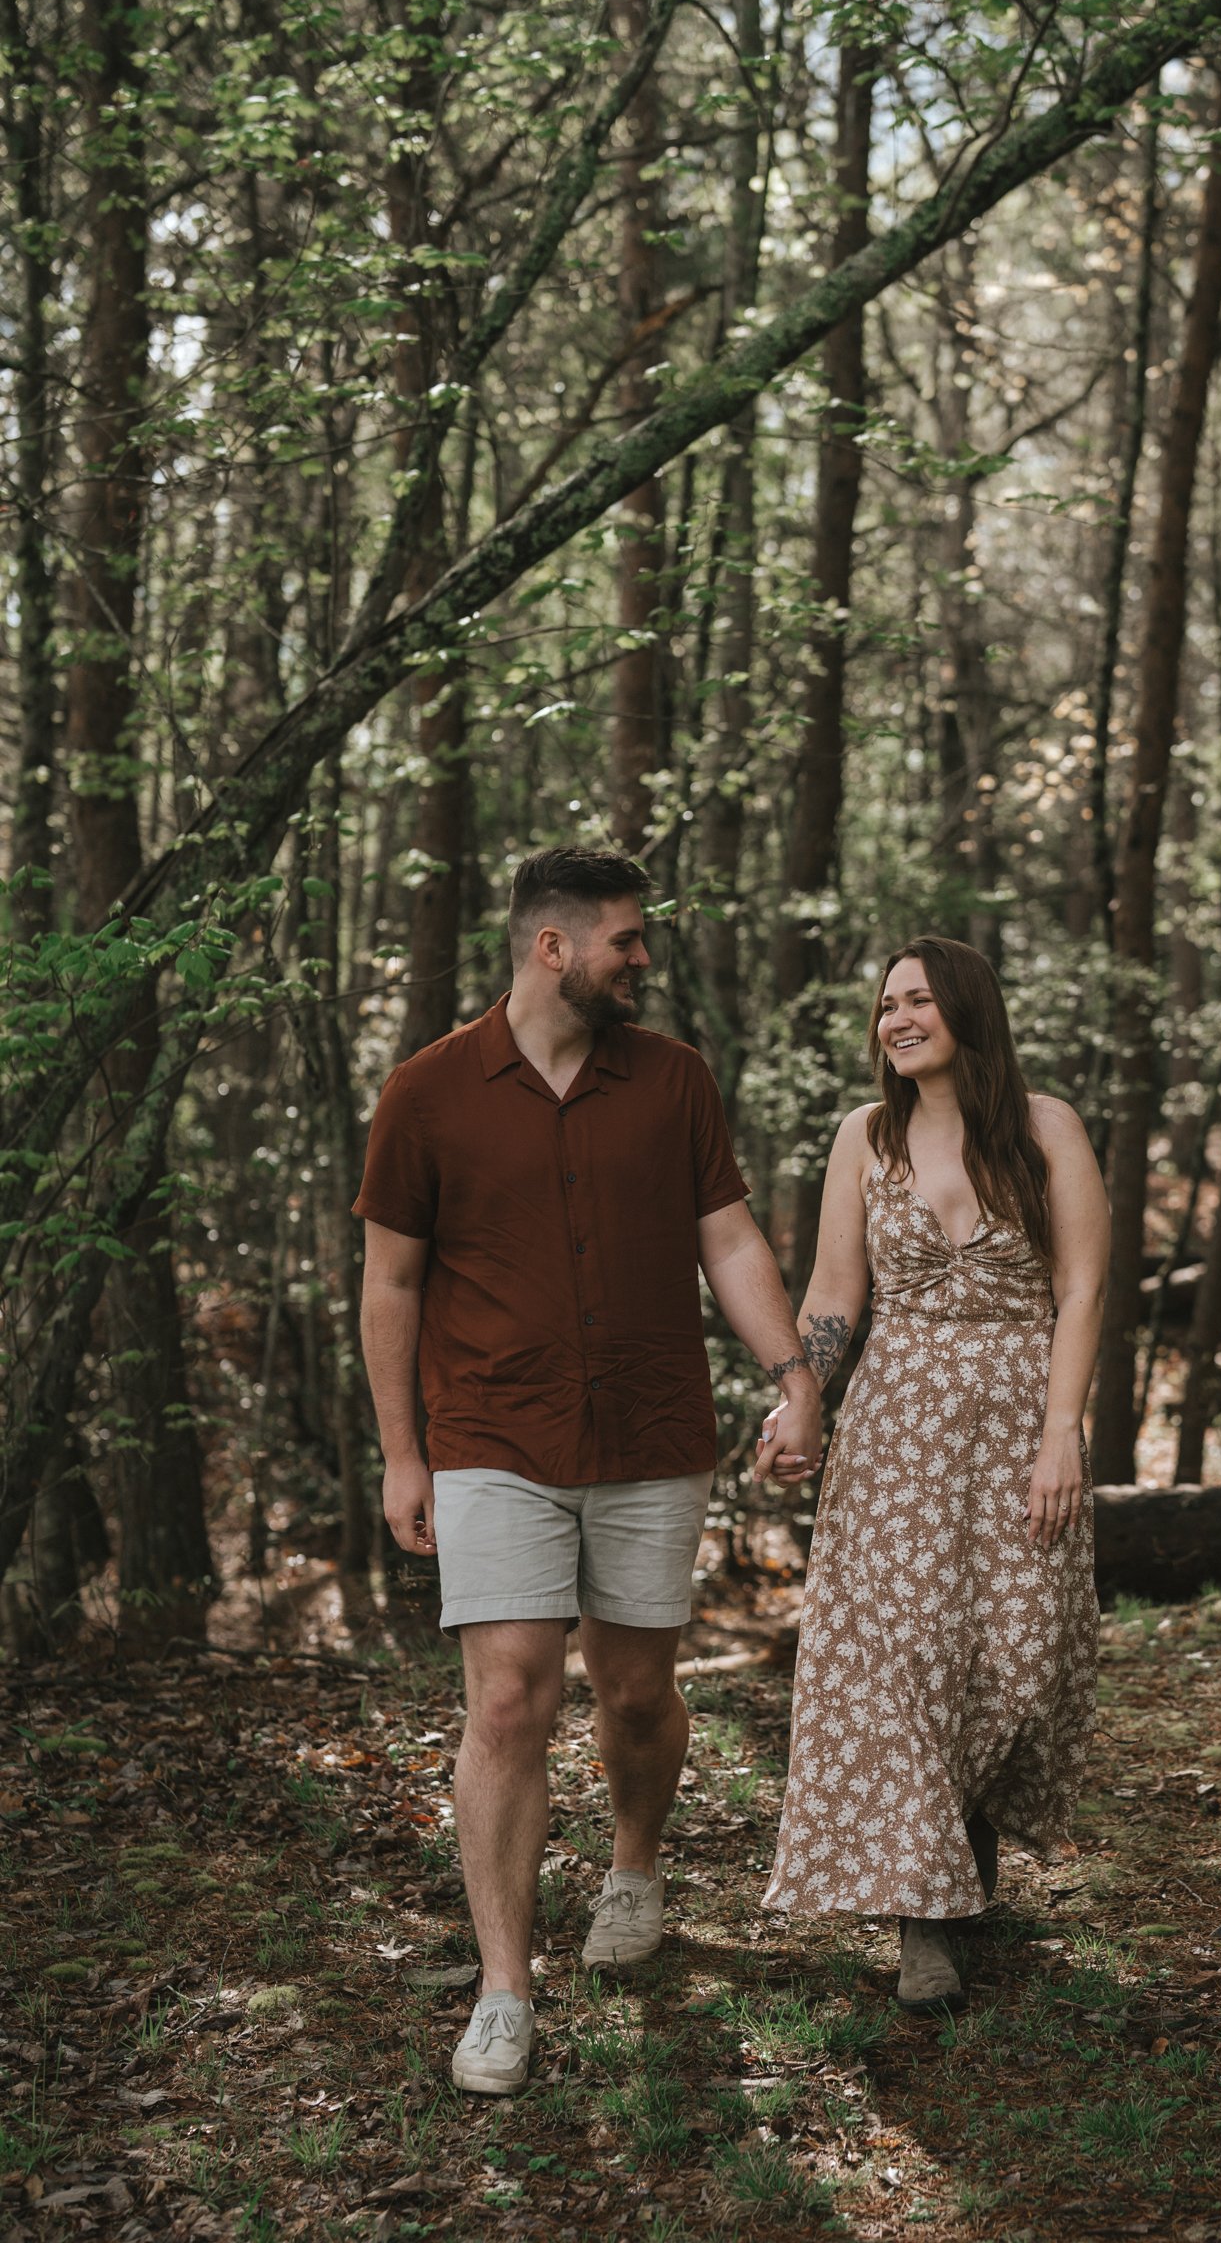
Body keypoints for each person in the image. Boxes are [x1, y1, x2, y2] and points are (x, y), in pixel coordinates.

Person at [354, 848, 821, 2096]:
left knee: (632, 1693)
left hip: (650, 1434)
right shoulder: (430, 1091)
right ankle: (505, 1988)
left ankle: (633, 1865)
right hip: (493, 1436)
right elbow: (390, 1281)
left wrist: (792, 1373)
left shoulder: (673, 1081)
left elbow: (726, 1237)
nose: (643, 958)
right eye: (625, 938)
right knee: (509, 1697)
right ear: (552, 947)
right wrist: (403, 1454)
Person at [758, 935, 1109, 2011]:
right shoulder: (865, 1136)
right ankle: (927, 1918)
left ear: (965, 1010)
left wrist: (1063, 1433)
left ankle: (966, 1838)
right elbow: (830, 1291)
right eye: (884, 1006)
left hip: (1018, 1421)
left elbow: (1085, 1288)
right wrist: (799, 1392)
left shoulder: (1044, 1127)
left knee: (1015, 1654)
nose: (896, 1020)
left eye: (916, 1000)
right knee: (905, 1657)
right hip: (897, 1429)